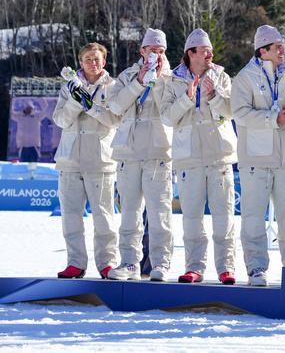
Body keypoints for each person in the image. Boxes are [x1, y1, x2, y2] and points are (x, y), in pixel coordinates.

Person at [231, 25, 285, 287]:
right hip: (255, 160)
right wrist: (273, 118)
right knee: (253, 217)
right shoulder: (245, 77)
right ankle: (256, 268)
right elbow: (240, 113)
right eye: (277, 46)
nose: (282, 50)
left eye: (281, 46)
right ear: (262, 50)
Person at [160, 29, 237, 285]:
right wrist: (187, 98)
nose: (210, 55)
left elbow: (231, 111)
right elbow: (167, 118)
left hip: (220, 157)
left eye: (211, 50)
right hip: (188, 159)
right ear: (190, 53)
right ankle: (194, 268)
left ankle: (226, 268)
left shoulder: (221, 76)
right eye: (204, 51)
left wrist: (214, 95)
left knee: (224, 216)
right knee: (192, 217)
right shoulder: (172, 81)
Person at [106, 28, 174, 282]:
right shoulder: (127, 75)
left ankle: (160, 263)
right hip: (128, 152)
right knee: (129, 212)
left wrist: (155, 81)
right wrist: (138, 82)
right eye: (152, 50)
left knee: (159, 213)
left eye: (161, 50)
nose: (156, 54)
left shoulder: (171, 77)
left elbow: (170, 111)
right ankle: (129, 262)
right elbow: (114, 107)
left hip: (159, 152)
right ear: (142, 51)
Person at [52, 43, 119, 278]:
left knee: (104, 217)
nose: (93, 63)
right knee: (71, 217)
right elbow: (60, 120)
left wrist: (88, 103)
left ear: (104, 62)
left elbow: (114, 119)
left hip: (101, 162)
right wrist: (75, 98)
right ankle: (76, 263)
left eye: (97, 59)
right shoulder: (68, 87)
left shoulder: (113, 87)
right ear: (81, 63)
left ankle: (107, 263)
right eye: (88, 59)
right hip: (69, 162)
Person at [16, 102, 45, 178]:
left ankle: (33, 180)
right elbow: (11, 113)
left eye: (30, 108)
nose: (28, 109)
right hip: (23, 147)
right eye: (27, 108)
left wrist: (41, 99)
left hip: (34, 146)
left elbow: (45, 110)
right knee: (24, 167)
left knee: (34, 167)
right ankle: (24, 180)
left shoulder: (37, 116)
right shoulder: (19, 116)